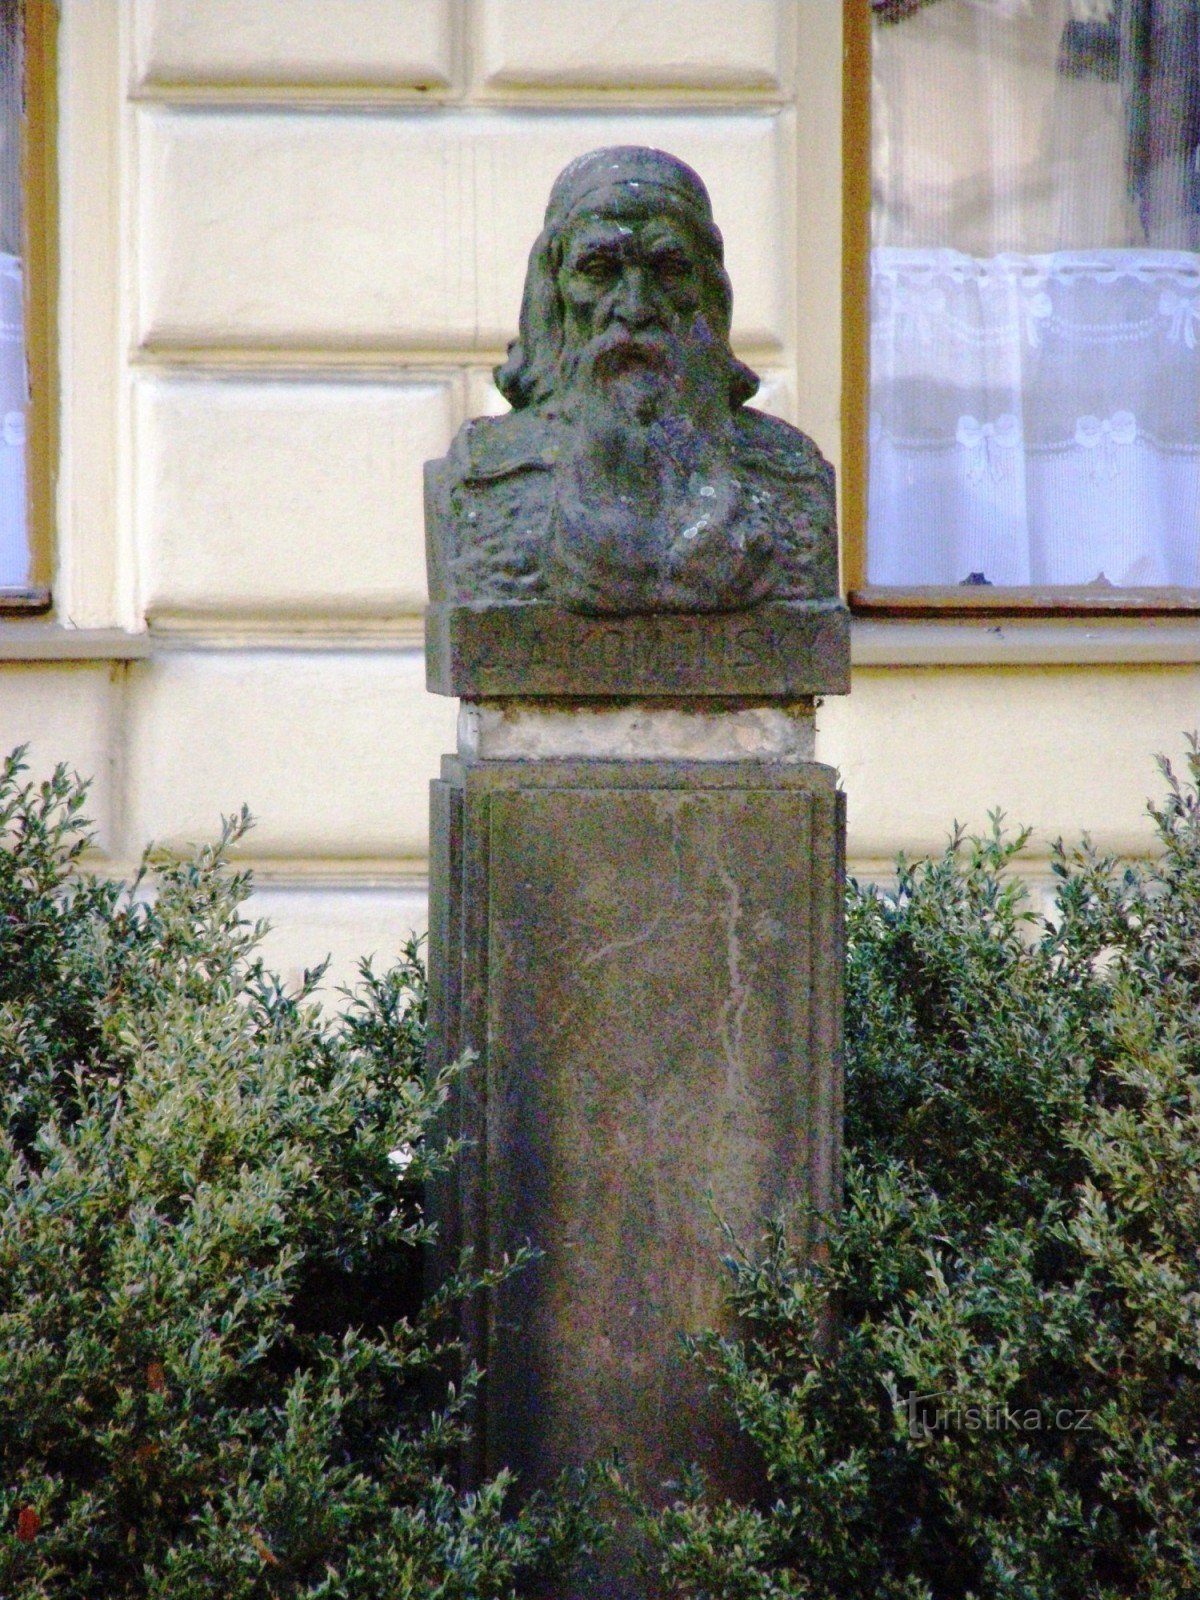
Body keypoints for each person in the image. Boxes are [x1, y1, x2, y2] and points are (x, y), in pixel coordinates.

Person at [426, 145, 837, 614]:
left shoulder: (791, 474)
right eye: (599, 271)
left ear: (709, 291)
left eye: (669, 271)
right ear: (552, 291)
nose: (636, 307)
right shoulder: (482, 479)